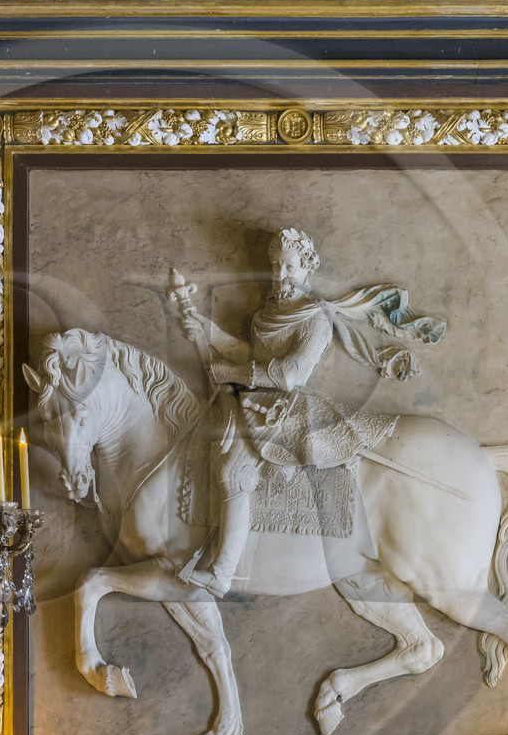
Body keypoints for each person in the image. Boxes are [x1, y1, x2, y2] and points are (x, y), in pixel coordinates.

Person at [172, 227, 445, 597]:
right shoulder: (269, 310)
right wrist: (207, 330)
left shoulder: (315, 317)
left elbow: (289, 374)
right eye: (276, 267)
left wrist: (230, 373)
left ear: (307, 267)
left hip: (286, 407)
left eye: (290, 267)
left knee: (232, 470)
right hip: (255, 402)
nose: (281, 275)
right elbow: (250, 356)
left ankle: (221, 573)